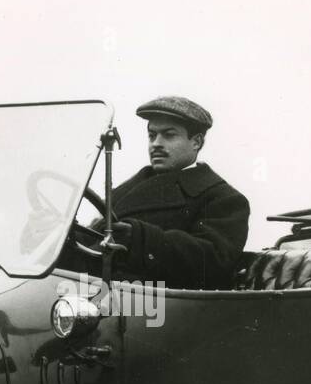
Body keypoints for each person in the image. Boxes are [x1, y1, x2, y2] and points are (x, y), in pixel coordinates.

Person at [98, 96, 250, 290]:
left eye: (169, 135)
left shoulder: (224, 199)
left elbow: (211, 262)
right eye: (152, 135)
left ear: (196, 142)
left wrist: (141, 238)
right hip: (100, 292)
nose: (156, 144)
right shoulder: (132, 186)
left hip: (157, 307)